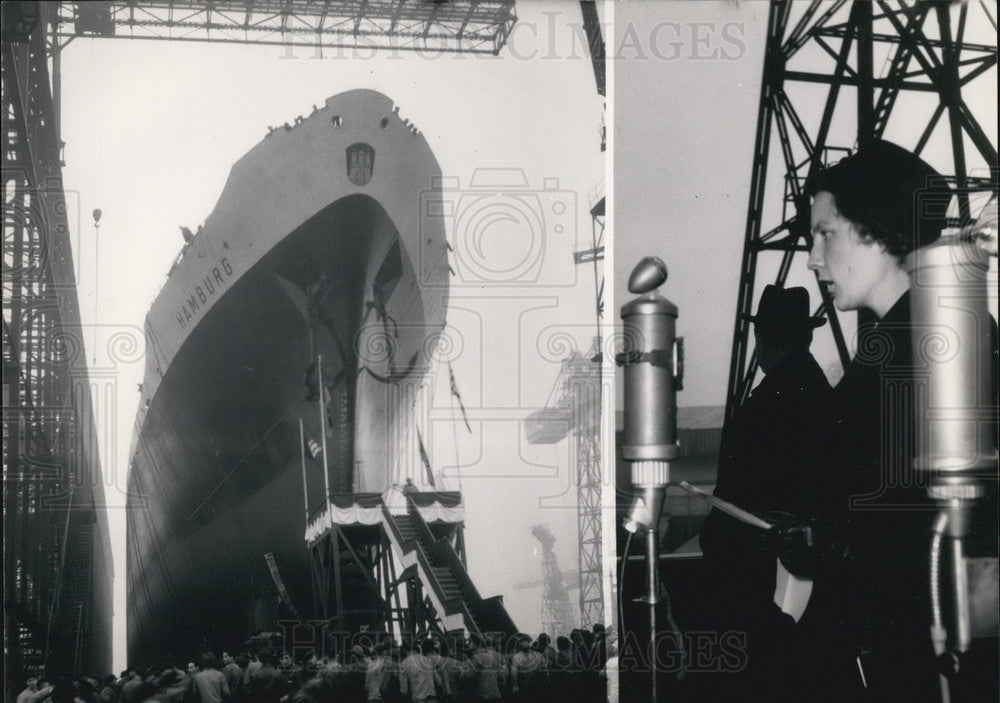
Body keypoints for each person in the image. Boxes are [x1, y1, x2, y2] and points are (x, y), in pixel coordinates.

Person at [796, 138, 989, 702]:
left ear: (878, 232)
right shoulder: (909, 343)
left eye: (824, 233)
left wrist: (832, 543)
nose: (811, 258)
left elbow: (953, 539)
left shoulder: (934, 350)